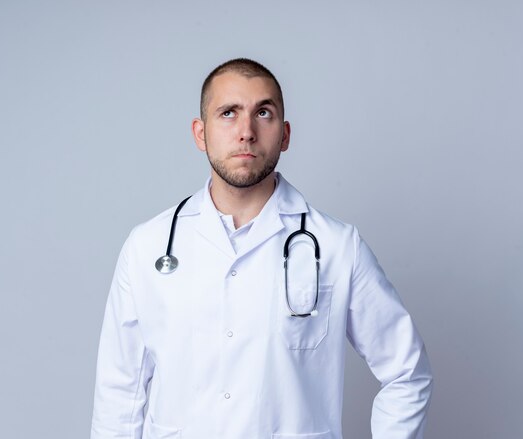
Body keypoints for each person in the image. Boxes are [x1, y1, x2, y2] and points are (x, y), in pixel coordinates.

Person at [90, 58, 433, 439]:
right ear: (200, 133)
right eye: (228, 113)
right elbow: (119, 394)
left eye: (263, 113)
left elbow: (407, 373)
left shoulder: (337, 247)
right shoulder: (147, 247)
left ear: (285, 135)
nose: (246, 131)